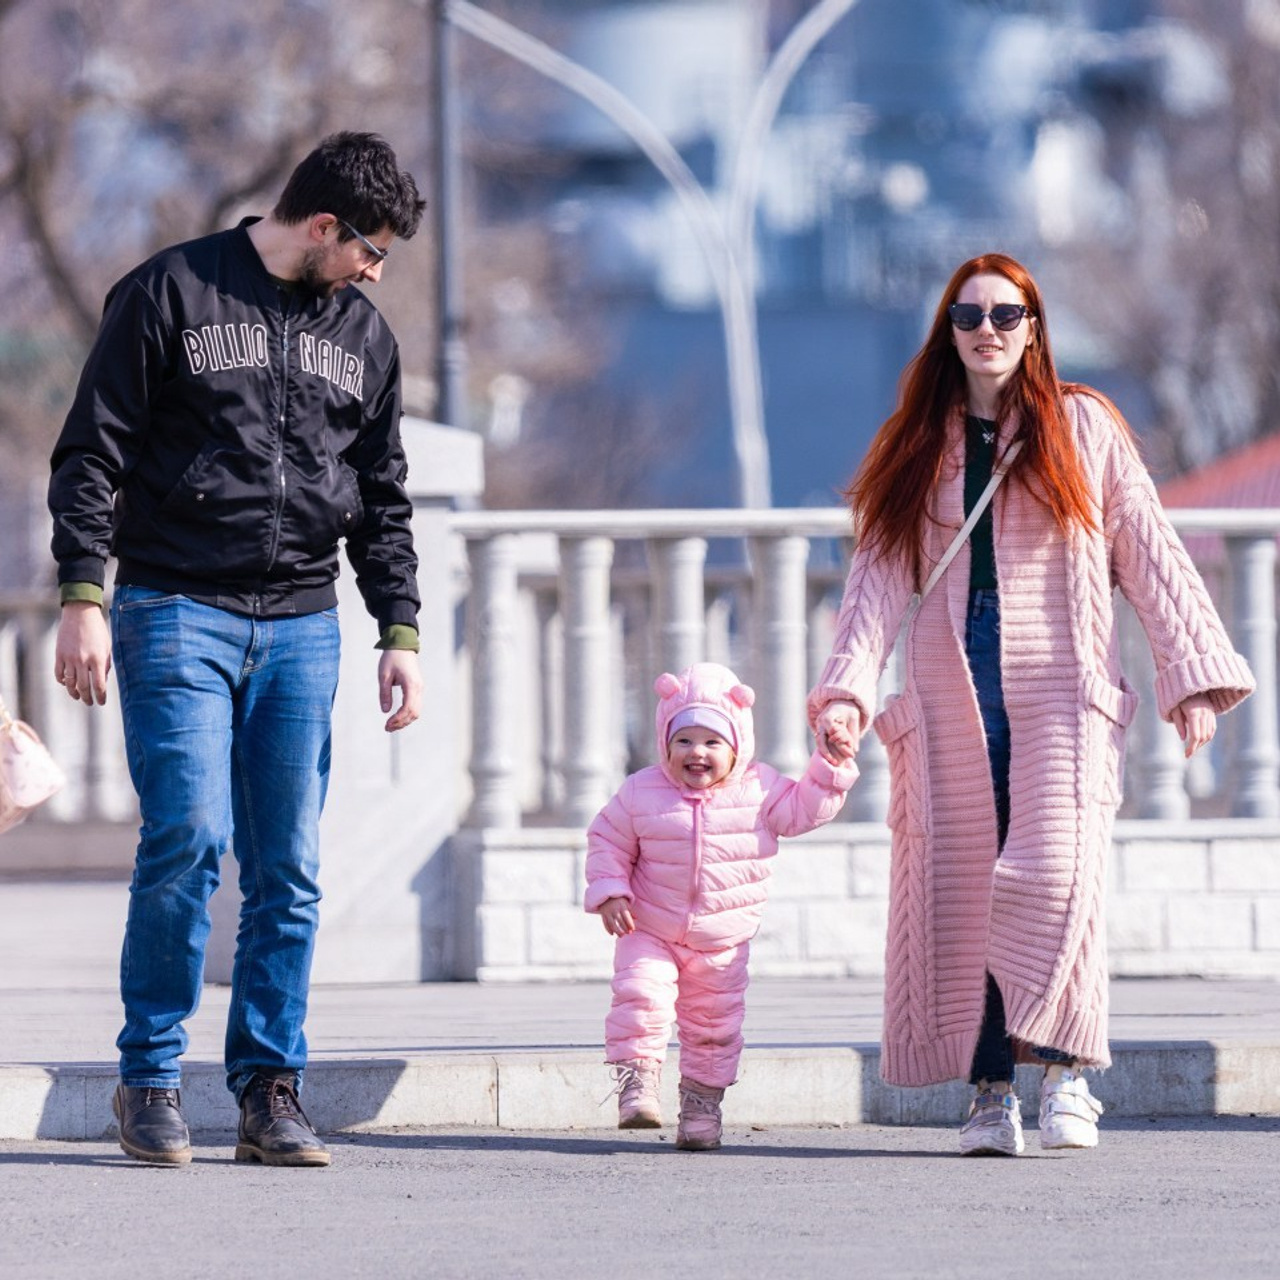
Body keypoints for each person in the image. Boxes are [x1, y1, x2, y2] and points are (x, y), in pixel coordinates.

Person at [810, 252, 1254, 1157]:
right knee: (967, 890)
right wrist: (849, 690)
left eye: (1005, 315)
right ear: (948, 332)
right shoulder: (915, 442)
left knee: (1057, 881)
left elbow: (1150, 552)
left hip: (1062, 689)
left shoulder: (1082, 427)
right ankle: (988, 1095)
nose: (986, 331)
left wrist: (1194, 675)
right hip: (950, 684)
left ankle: (1063, 1076)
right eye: (968, 317)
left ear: (1035, 327)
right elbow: (875, 582)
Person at [48, 132, 427, 1168]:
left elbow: (383, 499)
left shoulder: (362, 334)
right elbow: (92, 452)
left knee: (290, 866)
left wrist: (399, 628)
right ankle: (152, 1076)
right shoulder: (168, 293)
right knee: (188, 835)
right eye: (370, 250)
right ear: (321, 227)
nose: (374, 271)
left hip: (304, 622)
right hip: (175, 606)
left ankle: (268, 1088)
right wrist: (84, 593)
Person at [585, 662, 858, 1150]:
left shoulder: (761, 789)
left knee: (714, 1029)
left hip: (722, 940)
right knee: (640, 995)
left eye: (712, 742)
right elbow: (607, 841)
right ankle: (638, 1084)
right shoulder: (641, 791)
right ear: (665, 743)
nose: (697, 753)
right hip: (649, 926)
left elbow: (805, 811)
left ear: (738, 747)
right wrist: (610, 891)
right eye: (684, 740)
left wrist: (830, 767)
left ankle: (701, 1109)